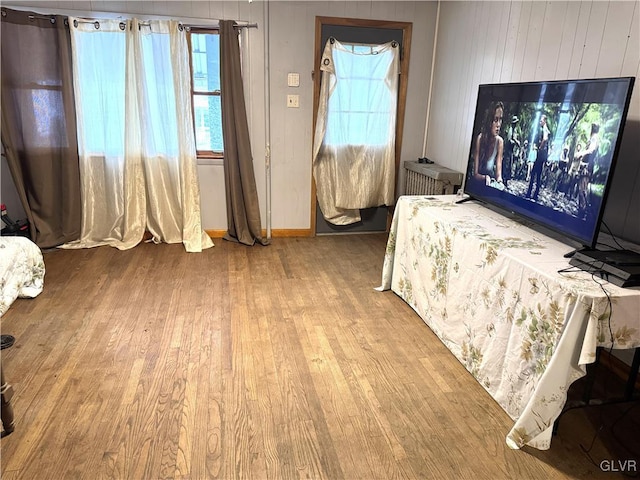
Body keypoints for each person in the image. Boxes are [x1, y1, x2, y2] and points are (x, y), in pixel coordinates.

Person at [472, 101, 504, 189]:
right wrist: (485, 178)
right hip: (477, 187)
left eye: (500, 119)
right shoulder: (480, 138)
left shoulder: (500, 142)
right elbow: (475, 174)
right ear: (489, 121)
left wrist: (500, 183)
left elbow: (498, 174)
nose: (498, 124)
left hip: (490, 188)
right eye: (495, 120)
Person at [575, 123, 600, 217]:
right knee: (581, 189)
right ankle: (582, 210)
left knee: (582, 190)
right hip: (586, 166)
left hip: (587, 167)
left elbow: (591, 150)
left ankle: (583, 211)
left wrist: (581, 153)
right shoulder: (595, 138)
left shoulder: (594, 138)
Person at [526, 114, 551, 200]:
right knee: (538, 174)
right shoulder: (545, 129)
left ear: (544, 121)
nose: (540, 122)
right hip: (542, 155)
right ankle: (534, 193)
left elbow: (545, 139)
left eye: (541, 121)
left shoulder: (545, 129)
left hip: (540, 155)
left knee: (534, 173)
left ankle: (530, 193)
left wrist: (540, 147)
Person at [503, 115, 520, 188]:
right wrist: (515, 142)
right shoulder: (510, 129)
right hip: (508, 151)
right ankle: (504, 180)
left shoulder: (514, 130)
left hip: (511, 151)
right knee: (506, 165)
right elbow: (509, 140)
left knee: (509, 165)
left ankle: (506, 180)